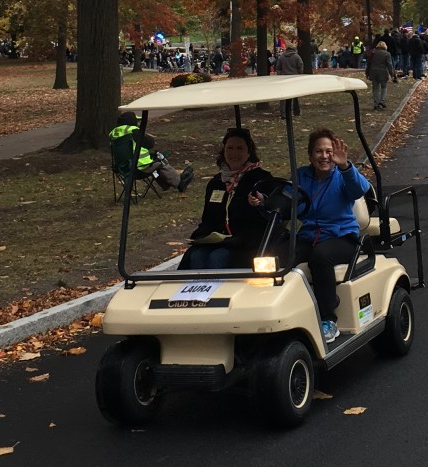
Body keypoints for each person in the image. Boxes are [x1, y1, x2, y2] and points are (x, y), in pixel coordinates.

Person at [285, 129, 373, 346]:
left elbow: (360, 190)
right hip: (309, 236)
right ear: (310, 155)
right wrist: (263, 200)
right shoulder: (301, 176)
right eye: (318, 151)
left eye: (328, 151)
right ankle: (287, 313)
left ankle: (328, 319)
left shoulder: (343, 176)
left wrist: (345, 167)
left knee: (320, 257)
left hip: (342, 237)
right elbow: (286, 199)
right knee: (277, 255)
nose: (324, 156)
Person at [178, 128, 274, 270]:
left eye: (239, 148)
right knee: (196, 256)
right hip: (220, 240)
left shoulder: (261, 179)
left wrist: (259, 201)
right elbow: (208, 218)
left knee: (217, 257)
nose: (234, 153)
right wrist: (202, 237)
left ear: (249, 153)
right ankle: (197, 285)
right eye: (230, 148)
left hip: (247, 240)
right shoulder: (216, 182)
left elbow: (269, 208)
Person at [109, 112, 194, 191]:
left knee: (154, 161)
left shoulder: (113, 134)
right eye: (136, 121)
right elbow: (150, 143)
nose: (138, 123)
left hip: (122, 169)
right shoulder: (133, 131)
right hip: (139, 168)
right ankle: (179, 183)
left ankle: (169, 183)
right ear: (132, 121)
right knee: (160, 161)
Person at [365, 38, 396, 110]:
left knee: (375, 88)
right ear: (385, 47)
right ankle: (382, 101)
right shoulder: (387, 54)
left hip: (373, 72)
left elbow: (368, 64)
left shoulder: (372, 53)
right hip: (383, 72)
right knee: (384, 87)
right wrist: (392, 74)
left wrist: (367, 73)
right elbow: (389, 65)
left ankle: (376, 103)